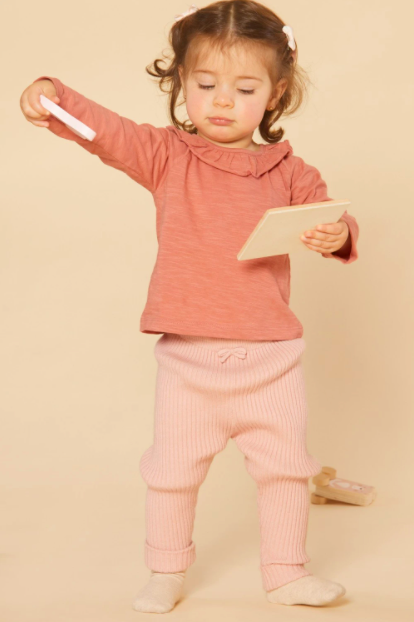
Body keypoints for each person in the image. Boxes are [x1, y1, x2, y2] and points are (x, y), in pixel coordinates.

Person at [20, 0, 359, 613]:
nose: (222, 101)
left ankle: (286, 573)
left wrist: (337, 234)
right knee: (171, 473)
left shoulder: (289, 172)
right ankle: (166, 570)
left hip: (272, 362)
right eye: (205, 85)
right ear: (181, 82)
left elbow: (332, 217)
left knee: (286, 471)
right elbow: (107, 133)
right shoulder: (166, 156)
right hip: (188, 364)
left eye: (244, 89)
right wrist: (54, 96)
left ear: (276, 95)